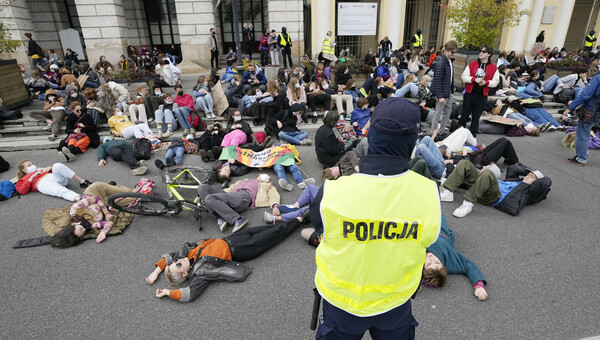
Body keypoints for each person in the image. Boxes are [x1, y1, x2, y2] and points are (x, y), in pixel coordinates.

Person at [309, 98, 441, 338]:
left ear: (371, 135)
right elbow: (427, 242)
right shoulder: (428, 193)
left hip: (341, 304)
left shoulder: (332, 190)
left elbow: (320, 228)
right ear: (412, 142)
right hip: (395, 303)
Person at [146, 217, 306, 303]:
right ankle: (299, 220)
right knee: (272, 235)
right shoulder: (200, 273)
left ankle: (290, 219)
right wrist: (168, 292)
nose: (177, 261)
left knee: (265, 229)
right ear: (185, 274)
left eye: (175, 263)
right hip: (242, 250)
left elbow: (168, 258)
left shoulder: (186, 255)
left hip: (231, 238)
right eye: (178, 265)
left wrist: (156, 272)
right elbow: (190, 293)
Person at [439, 160, 551, 217]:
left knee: (488, 173)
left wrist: (533, 181)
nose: (527, 177)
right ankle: (448, 191)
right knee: (465, 163)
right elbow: (513, 168)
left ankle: (467, 204)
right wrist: (528, 171)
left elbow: (544, 184)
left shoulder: (527, 192)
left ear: (535, 183)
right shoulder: (515, 180)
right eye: (527, 175)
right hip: (485, 185)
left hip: (494, 197)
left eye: (531, 177)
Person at [422, 215, 488, 300]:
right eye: (437, 262)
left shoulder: (417, 259)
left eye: (429, 263)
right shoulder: (450, 261)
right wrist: (479, 286)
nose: (432, 259)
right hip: (438, 225)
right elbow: (468, 266)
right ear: (443, 265)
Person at [197, 174, 280, 233]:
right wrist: (212, 199)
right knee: (202, 187)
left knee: (209, 198)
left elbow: (273, 195)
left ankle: (238, 219)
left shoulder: (267, 185)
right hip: (232, 195)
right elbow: (230, 189)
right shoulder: (245, 180)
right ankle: (221, 217)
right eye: (267, 175)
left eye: (269, 178)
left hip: (244, 196)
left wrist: (275, 206)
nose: (269, 177)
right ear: (259, 175)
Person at [459, 45, 499, 137]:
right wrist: (474, 79)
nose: (481, 53)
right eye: (480, 51)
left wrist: (486, 82)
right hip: (470, 94)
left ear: (489, 54)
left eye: (484, 51)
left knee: (476, 118)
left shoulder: (493, 68)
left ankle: (472, 137)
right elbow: (463, 77)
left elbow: (495, 82)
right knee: (464, 115)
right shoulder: (472, 64)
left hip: (482, 96)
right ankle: (459, 135)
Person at [562, 68, 600, 166]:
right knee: (586, 132)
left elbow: (585, 95)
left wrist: (570, 108)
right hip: (598, 111)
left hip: (591, 110)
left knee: (582, 133)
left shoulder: (597, 78)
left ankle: (581, 158)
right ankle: (583, 153)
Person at [50, 196, 115, 248]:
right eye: (83, 232)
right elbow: (108, 223)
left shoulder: (76, 209)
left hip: (95, 191)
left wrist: (106, 213)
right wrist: (103, 232)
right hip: (106, 202)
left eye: (80, 229)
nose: (84, 229)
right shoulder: (88, 225)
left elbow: (96, 198)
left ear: (74, 224)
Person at [15, 161, 92, 201]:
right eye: (29, 165)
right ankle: (80, 198)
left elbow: (58, 172)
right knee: (59, 190)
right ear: (23, 170)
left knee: (57, 165)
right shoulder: (23, 179)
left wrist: (49, 168)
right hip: (42, 183)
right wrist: (32, 176)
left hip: (54, 178)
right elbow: (21, 190)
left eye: (33, 164)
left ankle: (83, 182)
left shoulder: (40, 170)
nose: (33, 166)